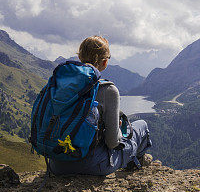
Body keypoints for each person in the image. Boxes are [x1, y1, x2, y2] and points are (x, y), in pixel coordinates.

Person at [48, 35, 152, 176]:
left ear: (80, 57)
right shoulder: (107, 90)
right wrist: (119, 130)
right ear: (104, 62)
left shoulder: (60, 84)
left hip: (56, 164)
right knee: (142, 126)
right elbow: (112, 142)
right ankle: (133, 166)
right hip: (92, 166)